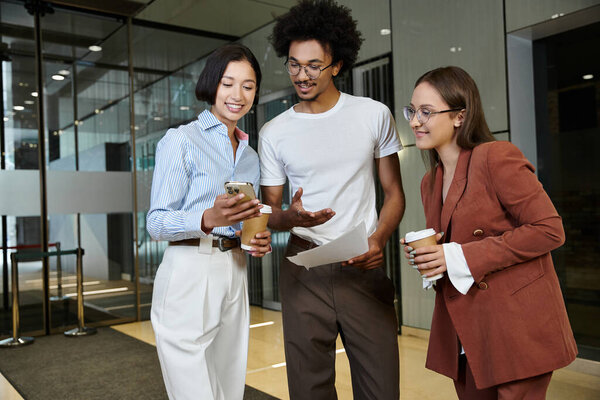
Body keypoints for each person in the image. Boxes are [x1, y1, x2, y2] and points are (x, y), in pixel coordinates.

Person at [401, 66, 577, 399]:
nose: (414, 121)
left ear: (459, 116)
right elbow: (452, 249)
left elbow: (549, 230)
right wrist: (431, 257)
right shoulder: (430, 181)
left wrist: (457, 255)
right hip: (466, 330)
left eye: (426, 112)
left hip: (517, 327)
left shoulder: (495, 157)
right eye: (412, 111)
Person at [259, 1, 405, 398]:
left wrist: (379, 240)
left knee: (381, 388)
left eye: (313, 65)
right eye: (293, 64)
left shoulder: (373, 115)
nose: (301, 75)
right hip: (303, 268)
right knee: (309, 390)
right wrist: (289, 218)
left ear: (337, 65)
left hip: (362, 263)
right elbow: (268, 211)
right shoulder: (274, 131)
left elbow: (394, 193)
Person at [147, 43, 271, 400]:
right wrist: (206, 217)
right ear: (211, 84)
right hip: (190, 266)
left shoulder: (249, 155)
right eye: (228, 83)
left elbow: (245, 221)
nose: (238, 95)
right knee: (194, 390)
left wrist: (254, 239)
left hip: (235, 267)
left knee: (229, 384)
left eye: (248, 86)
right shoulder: (181, 140)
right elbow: (156, 222)